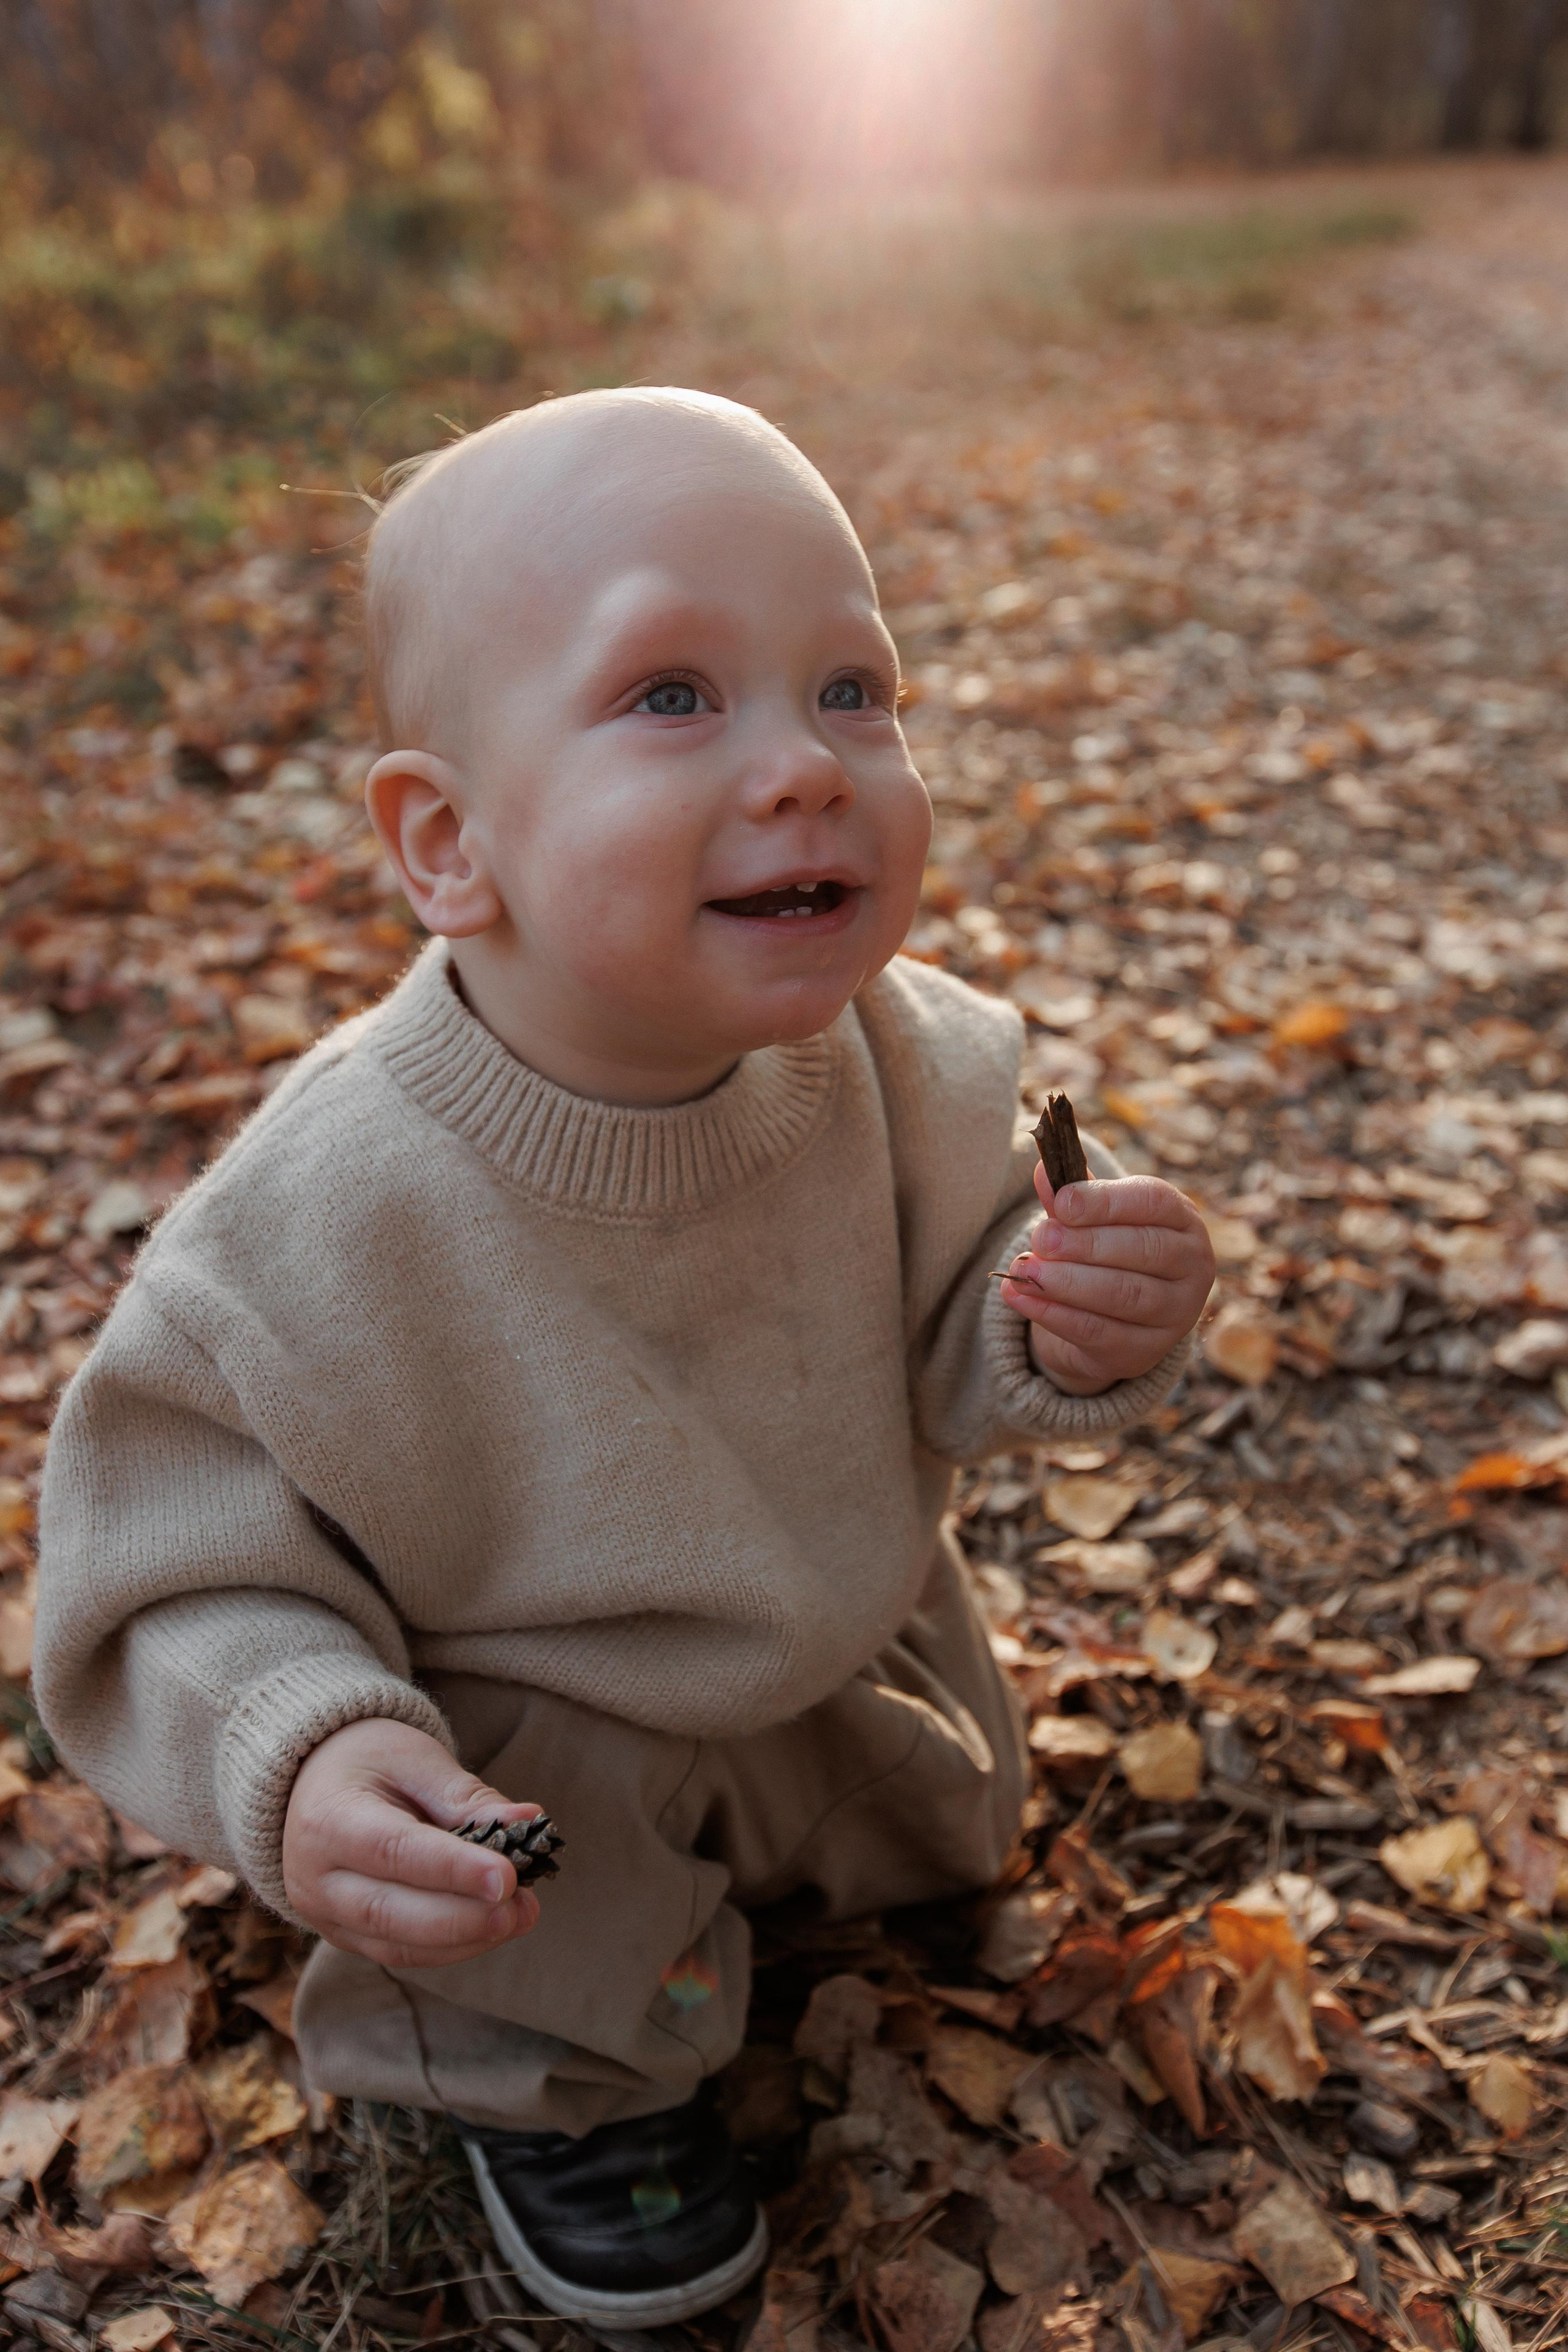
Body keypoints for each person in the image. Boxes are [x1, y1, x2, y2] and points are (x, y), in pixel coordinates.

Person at [35, 389, 1215, 2326]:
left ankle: (784, 1849)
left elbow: (968, 1324)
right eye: (675, 696)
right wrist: (306, 1745)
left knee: (939, 1828)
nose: (808, 767)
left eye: (855, 688)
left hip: (822, 1620)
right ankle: (541, 2085)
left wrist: (1075, 1311)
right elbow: (171, 1560)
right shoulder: (321, 1219)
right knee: (535, 1911)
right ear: (447, 841)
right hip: (523, 1725)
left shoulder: (906, 1068)